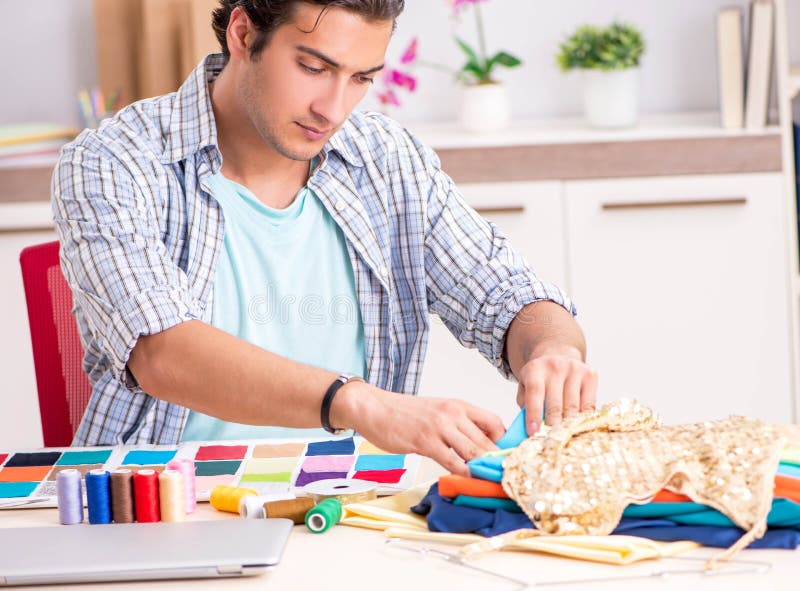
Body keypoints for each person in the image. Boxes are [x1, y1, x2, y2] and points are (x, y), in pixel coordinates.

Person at [52, 0, 597, 476]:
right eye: (314, 68)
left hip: (349, 506)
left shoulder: (386, 159)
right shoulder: (114, 162)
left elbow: (507, 294)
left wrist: (551, 351)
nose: (333, 109)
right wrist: (360, 405)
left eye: (361, 78)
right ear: (242, 34)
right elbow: (160, 353)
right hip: (164, 503)